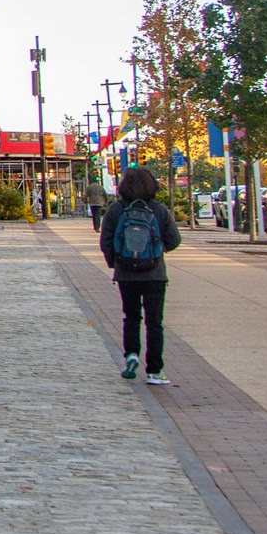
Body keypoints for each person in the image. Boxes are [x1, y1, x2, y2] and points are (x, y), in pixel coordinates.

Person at [100, 165, 182, 386]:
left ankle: (131, 354)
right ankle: (155, 371)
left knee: (131, 316)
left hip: (126, 274)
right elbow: (174, 240)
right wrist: (157, 251)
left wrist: (115, 263)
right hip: (155, 274)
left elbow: (106, 242)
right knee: (155, 322)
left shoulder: (116, 210)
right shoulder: (159, 210)